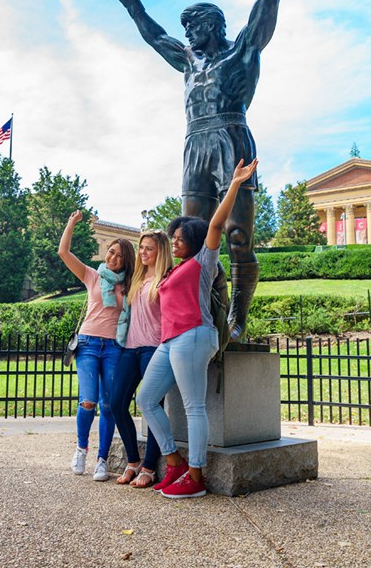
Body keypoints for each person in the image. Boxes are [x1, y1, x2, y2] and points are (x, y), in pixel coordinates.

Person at [108, 0, 279, 343]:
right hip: (195, 146)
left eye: (194, 26)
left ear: (214, 24)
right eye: (184, 27)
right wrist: (133, 4)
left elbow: (268, 3)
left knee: (238, 236)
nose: (187, 33)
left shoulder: (241, 50)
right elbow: (154, 36)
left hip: (231, 137)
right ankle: (205, 313)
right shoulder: (188, 61)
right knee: (187, 238)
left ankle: (237, 321)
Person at [137, 159, 258, 499]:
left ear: (192, 239)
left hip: (194, 335)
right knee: (146, 398)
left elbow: (216, 225)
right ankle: (173, 462)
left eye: (178, 238)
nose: (174, 243)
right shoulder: (171, 272)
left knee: (193, 407)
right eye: (172, 238)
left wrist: (234, 183)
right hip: (170, 340)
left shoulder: (203, 262)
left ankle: (196, 475)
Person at [58, 211, 135, 482]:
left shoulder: (129, 284)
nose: (113, 258)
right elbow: (64, 252)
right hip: (89, 344)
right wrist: (71, 223)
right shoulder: (92, 276)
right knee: (88, 401)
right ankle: (81, 450)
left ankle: (102, 460)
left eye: (119, 256)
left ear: (126, 261)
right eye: (111, 253)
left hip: (114, 347)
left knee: (109, 405)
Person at [110, 229, 171, 489]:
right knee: (116, 404)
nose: (144, 252)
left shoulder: (166, 278)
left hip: (153, 349)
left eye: (149, 248)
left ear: (161, 251)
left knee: (151, 406)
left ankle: (149, 467)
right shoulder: (136, 277)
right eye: (142, 247)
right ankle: (133, 461)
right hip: (129, 348)